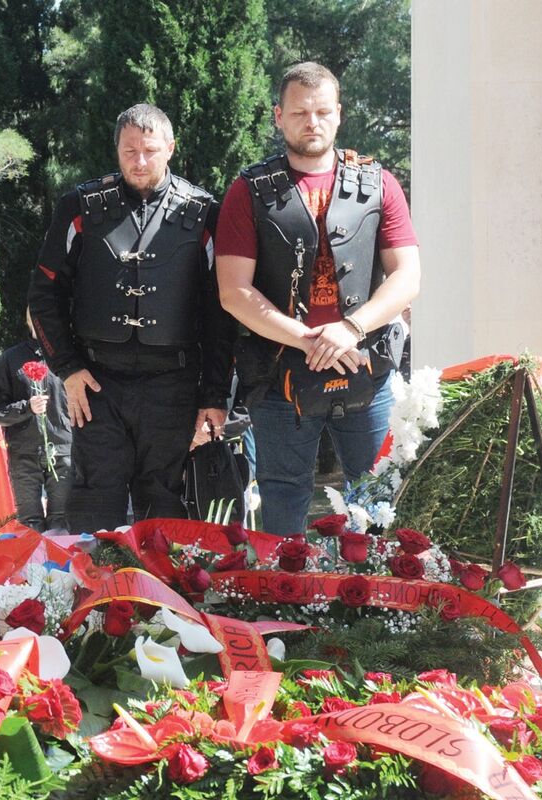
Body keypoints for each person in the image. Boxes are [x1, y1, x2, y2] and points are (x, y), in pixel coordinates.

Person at [216, 62, 421, 535]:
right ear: (278, 116)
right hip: (278, 377)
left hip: (366, 366)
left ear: (339, 114)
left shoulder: (379, 183)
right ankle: (283, 586)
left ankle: (375, 585)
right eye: (300, 112)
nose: (312, 122)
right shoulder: (247, 192)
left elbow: (407, 276)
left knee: (382, 503)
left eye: (323, 111)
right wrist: (310, 340)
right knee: (282, 503)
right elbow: (233, 291)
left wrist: (350, 329)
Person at [27, 103, 236, 532]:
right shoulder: (79, 208)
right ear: (117, 150)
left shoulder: (204, 214)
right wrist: (67, 368)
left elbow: (222, 315)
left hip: (174, 387)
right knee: (93, 509)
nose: (139, 161)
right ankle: (100, 580)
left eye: (150, 150)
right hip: (96, 386)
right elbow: (44, 294)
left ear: (170, 148)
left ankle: (161, 580)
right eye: (129, 151)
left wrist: (214, 396)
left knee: (165, 513)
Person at [0, 310, 72, 532]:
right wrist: (26, 407)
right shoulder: (10, 358)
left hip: (63, 451)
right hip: (24, 453)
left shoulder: (71, 355)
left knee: (62, 519)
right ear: (29, 320)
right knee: (30, 524)